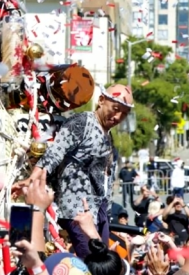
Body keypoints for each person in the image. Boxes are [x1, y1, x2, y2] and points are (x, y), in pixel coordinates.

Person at [13, 84, 134, 259]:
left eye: (124, 113)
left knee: (101, 264)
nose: (118, 117)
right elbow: (55, 152)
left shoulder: (108, 134)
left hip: (99, 209)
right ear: (101, 100)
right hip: (77, 208)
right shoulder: (82, 122)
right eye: (115, 109)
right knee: (93, 261)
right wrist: (33, 178)